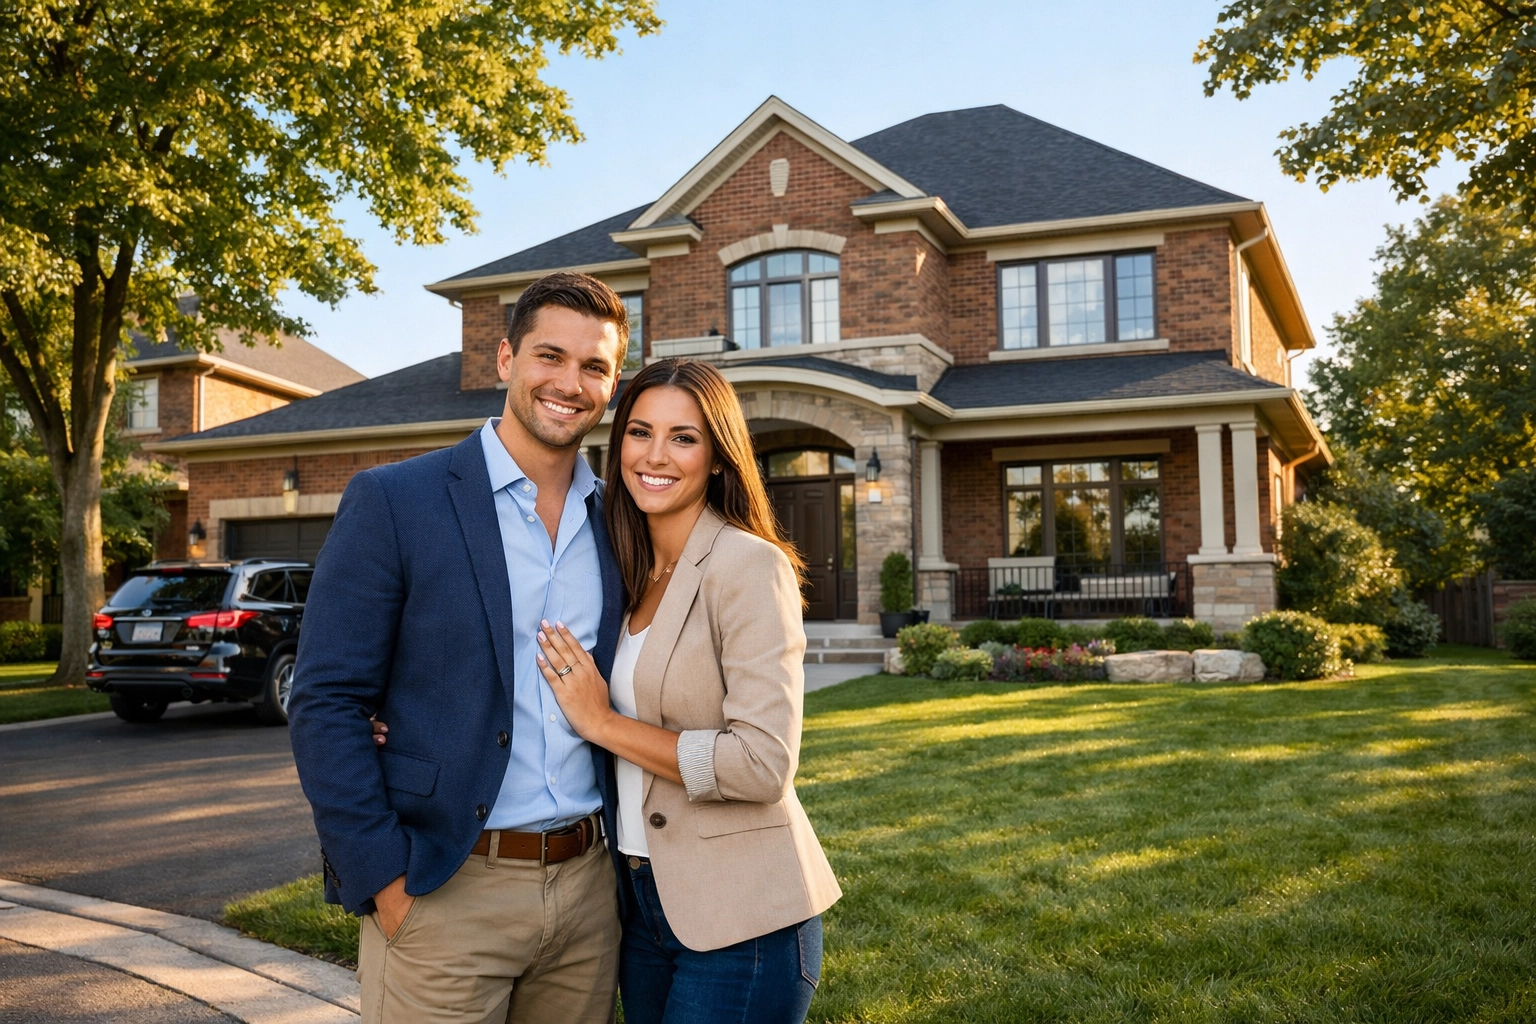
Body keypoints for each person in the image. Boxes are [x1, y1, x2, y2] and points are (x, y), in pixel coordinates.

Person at [287, 272, 632, 1024]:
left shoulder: (622, 521)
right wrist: (383, 879)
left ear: (613, 383)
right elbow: (325, 699)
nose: (570, 383)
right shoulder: (396, 500)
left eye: (595, 367)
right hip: (444, 887)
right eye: (551, 356)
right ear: (505, 359)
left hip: (589, 891)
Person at [529, 358, 842, 1023]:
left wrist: (604, 723)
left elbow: (763, 764)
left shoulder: (748, 565)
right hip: (640, 905)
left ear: (719, 458)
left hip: (745, 915)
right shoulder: (622, 569)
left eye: (684, 437)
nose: (655, 456)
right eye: (640, 432)